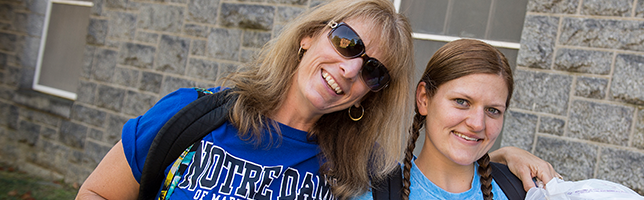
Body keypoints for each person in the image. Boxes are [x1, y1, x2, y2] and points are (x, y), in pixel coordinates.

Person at [76, 0, 557, 199]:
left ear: (370, 93)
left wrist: (493, 157)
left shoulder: (355, 174)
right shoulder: (193, 115)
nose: (350, 68)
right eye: (347, 43)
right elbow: (98, 192)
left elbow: (435, 178)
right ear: (309, 37)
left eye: (373, 70)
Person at [356, 39, 528, 200]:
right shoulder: (371, 194)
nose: (477, 124)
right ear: (424, 99)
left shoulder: (527, 191)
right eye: (461, 102)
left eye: (493, 110)